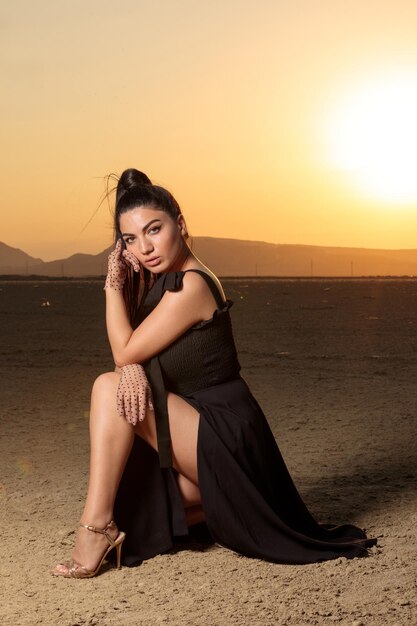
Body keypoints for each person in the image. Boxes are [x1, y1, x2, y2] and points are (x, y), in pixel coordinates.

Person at [53, 168, 376, 578]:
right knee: (141, 510)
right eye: (131, 240)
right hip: (197, 429)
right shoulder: (163, 282)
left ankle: (95, 528)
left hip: (224, 430)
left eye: (154, 229)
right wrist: (131, 363)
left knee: (106, 386)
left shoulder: (192, 286)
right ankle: (153, 517)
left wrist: (112, 285)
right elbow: (131, 352)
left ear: (180, 224)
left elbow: (123, 349)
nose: (145, 247)